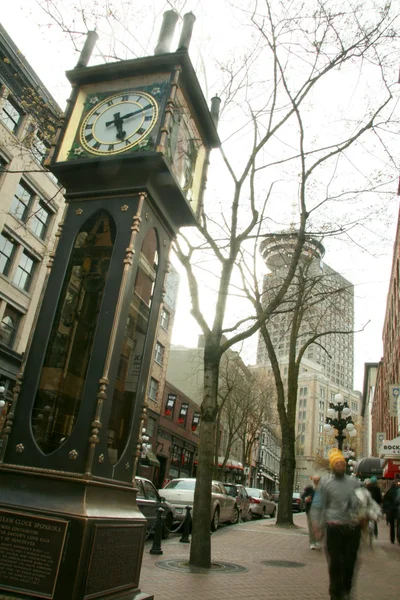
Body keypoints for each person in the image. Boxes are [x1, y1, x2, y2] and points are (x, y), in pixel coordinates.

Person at [311, 449, 361, 600]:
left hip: (352, 529)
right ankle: (335, 594)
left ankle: (346, 590)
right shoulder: (325, 484)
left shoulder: (354, 483)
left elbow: (363, 503)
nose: (340, 465)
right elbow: (317, 506)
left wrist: (364, 518)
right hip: (334, 529)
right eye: (337, 463)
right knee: (335, 564)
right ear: (333, 466)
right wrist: (316, 526)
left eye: (342, 463)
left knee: (350, 564)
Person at [302, 475, 320, 549]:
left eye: (317, 480)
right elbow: (303, 496)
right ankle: (312, 542)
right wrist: (306, 499)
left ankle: (318, 541)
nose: (316, 482)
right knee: (311, 526)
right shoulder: (310, 489)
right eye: (315, 480)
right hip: (310, 510)